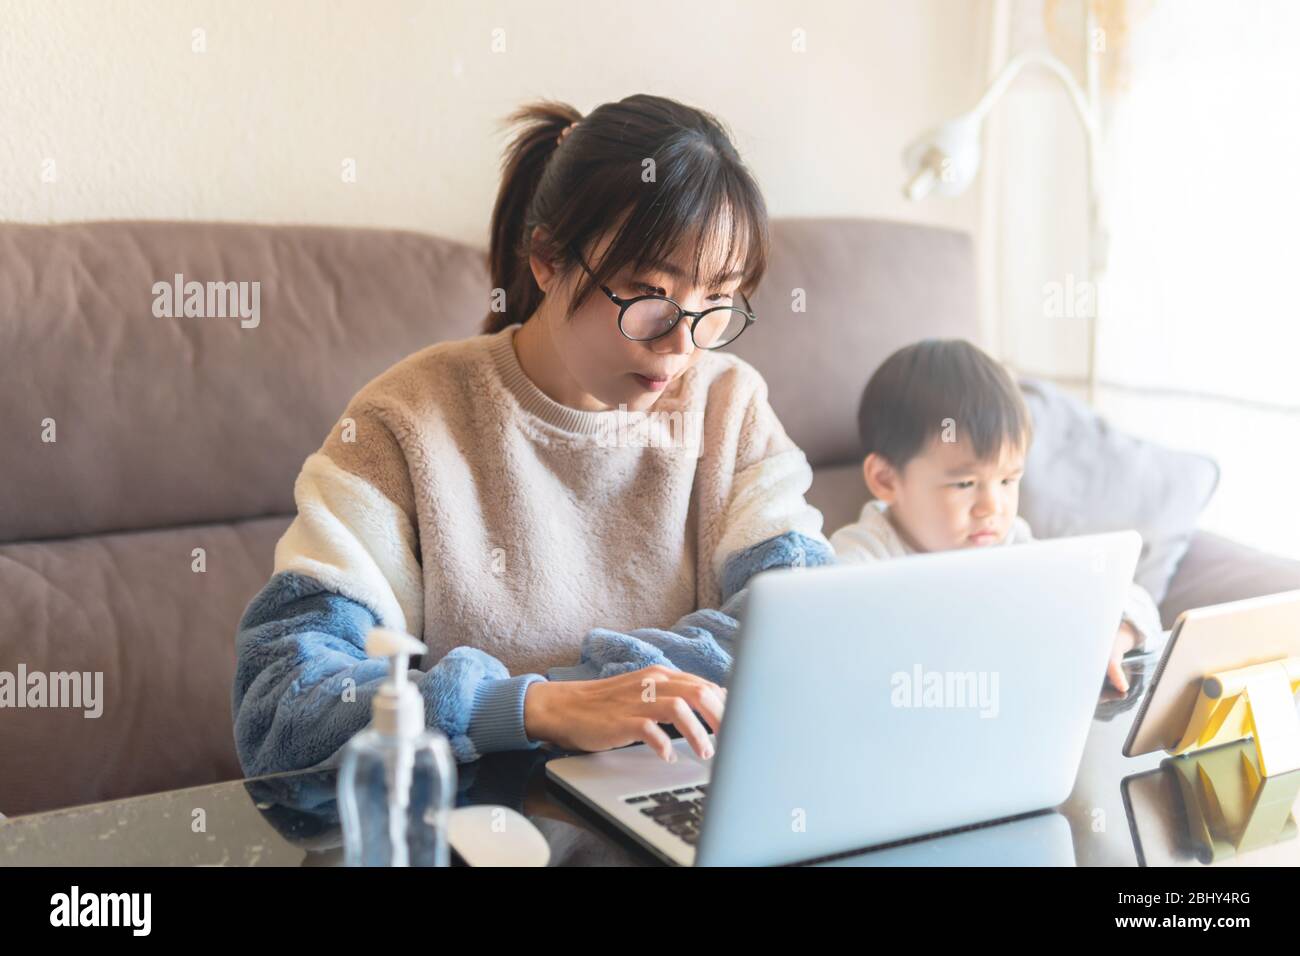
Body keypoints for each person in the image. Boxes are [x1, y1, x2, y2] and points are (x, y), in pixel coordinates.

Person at [232, 94, 834, 775]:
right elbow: (285, 706)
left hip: (681, 802)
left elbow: (803, 629)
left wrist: (604, 692)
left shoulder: (731, 407)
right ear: (548, 260)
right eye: (650, 295)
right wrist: (532, 708)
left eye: (718, 299)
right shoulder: (403, 424)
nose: (683, 344)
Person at [828, 339, 1161, 693]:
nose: (992, 506)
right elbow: (821, 639)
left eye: (1007, 480)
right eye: (965, 483)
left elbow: (1132, 599)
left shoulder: (1010, 543)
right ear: (886, 479)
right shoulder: (860, 558)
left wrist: (1116, 634)